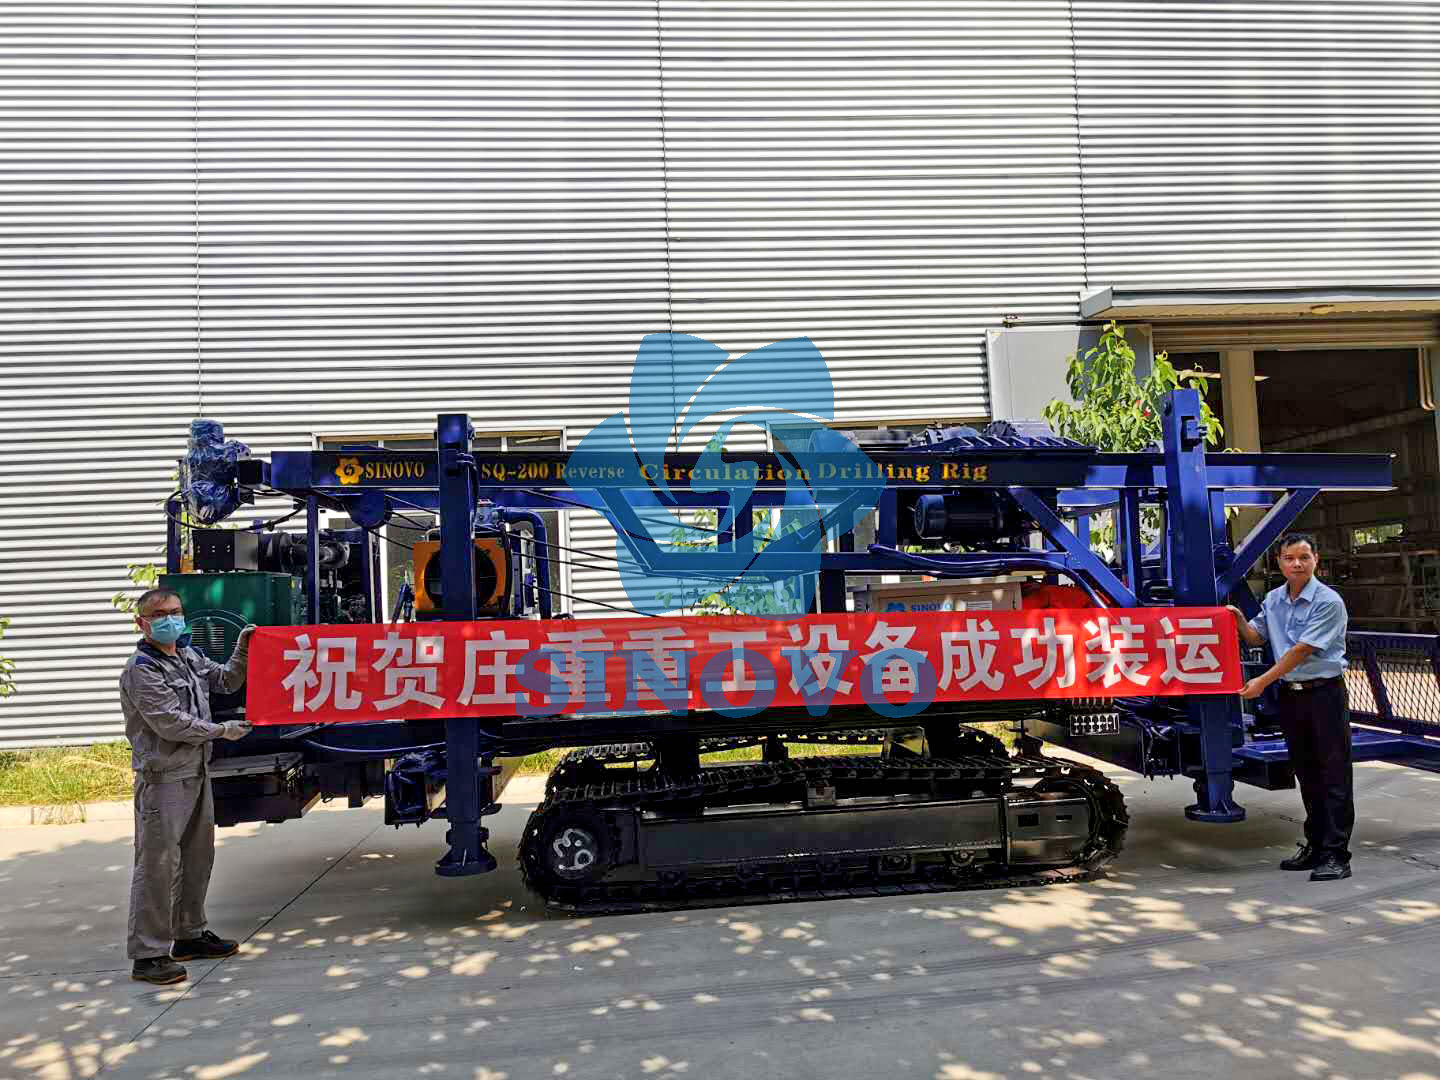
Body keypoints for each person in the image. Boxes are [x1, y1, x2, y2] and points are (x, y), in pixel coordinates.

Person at [120, 587, 255, 984]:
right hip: (163, 778)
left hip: (196, 770)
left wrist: (243, 647)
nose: (170, 619)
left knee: (198, 857)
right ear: (141, 623)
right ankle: (148, 955)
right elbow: (169, 723)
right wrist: (222, 731)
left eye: (175, 612)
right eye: (159, 614)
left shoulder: (187, 655)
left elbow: (227, 680)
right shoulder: (142, 669)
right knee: (158, 866)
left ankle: (189, 934)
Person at [1227, 533, 1353, 883]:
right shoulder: (1274, 599)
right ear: (1279, 562)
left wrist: (1262, 682)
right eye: (1289, 558)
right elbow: (1256, 636)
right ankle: (1316, 846)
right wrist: (1236, 617)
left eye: (1303, 557)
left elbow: (1301, 651)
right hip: (1291, 697)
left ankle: (1336, 855)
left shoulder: (1328, 601)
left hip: (1324, 695)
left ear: (1316, 560)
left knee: (1333, 776)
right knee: (1307, 773)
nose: (1297, 564)